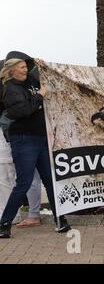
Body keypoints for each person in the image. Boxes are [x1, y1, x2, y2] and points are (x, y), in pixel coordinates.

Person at [0, 58, 71, 238]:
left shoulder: (30, 81)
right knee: (23, 183)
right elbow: (23, 110)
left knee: (50, 179)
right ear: (12, 71)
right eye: (22, 68)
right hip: (24, 140)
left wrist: (40, 64)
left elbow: (40, 73)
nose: (25, 70)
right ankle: (4, 224)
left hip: (40, 139)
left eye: (26, 67)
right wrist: (40, 96)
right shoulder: (10, 88)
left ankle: (60, 219)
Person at [0, 52, 43, 228]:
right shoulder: (28, 81)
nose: (25, 69)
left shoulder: (27, 80)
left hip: (16, 133)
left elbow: (24, 109)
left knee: (12, 176)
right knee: (27, 176)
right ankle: (30, 214)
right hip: (23, 132)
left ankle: (15, 215)